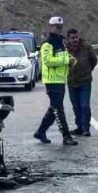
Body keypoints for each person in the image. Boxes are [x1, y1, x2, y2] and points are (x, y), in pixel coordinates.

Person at [36, 16, 78, 146]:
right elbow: (48, 61)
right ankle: (66, 136)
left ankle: (41, 131)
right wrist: (66, 61)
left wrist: (71, 60)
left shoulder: (61, 42)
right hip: (52, 81)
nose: (58, 29)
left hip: (60, 80)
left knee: (55, 108)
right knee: (58, 109)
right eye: (56, 27)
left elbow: (64, 57)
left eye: (60, 27)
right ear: (51, 27)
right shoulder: (47, 43)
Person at [66, 28, 98, 136]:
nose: (75, 40)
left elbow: (94, 60)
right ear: (68, 39)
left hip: (85, 81)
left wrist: (88, 70)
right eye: (72, 38)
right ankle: (79, 126)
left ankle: (86, 128)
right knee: (76, 106)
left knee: (84, 105)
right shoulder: (65, 50)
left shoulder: (86, 47)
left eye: (76, 37)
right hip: (71, 81)